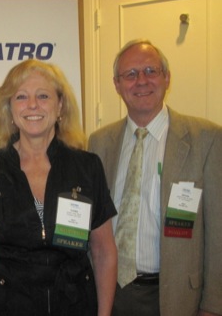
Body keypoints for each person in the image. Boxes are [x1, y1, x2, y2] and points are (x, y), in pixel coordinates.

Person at [0, 59, 117, 316]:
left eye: (43, 96)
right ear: (9, 108)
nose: (32, 105)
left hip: (76, 307)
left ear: (60, 105)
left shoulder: (87, 167)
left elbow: (104, 251)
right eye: (21, 97)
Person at [88, 39, 222, 316]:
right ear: (116, 84)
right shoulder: (99, 142)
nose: (141, 81)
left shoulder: (207, 139)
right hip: (108, 291)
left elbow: (218, 230)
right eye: (130, 74)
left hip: (174, 295)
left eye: (151, 71)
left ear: (166, 77)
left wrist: (212, 305)